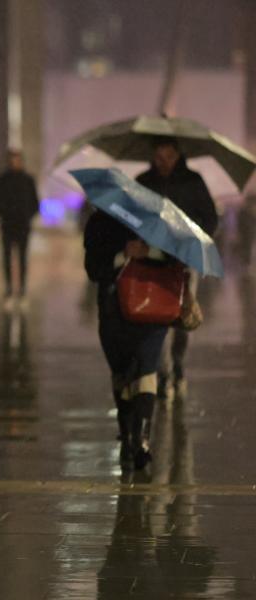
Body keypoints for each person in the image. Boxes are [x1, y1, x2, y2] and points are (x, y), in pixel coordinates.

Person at [84, 210, 172, 470]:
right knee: (122, 373)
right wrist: (124, 255)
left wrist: (149, 252)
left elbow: (173, 259)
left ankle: (142, 440)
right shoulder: (99, 223)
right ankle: (127, 432)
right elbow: (94, 269)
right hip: (114, 312)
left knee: (146, 370)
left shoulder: (156, 220)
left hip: (152, 309)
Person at [135, 138, 217, 398]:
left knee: (181, 316)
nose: (164, 163)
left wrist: (196, 240)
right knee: (156, 317)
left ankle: (178, 365)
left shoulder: (193, 182)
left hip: (185, 259)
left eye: (169, 157)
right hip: (152, 260)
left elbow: (210, 217)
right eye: (160, 157)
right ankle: (162, 372)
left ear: (178, 155)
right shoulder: (143, 181)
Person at [0, 149, 39, 307]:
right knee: (7, 259)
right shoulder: (2, 180)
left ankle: (22, 291)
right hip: (8, 225)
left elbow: (35, 203)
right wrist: (5, 213)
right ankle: (9, 290)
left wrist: (27, 215)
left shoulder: (28, 180)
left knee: (22, 259)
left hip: (23, 225)